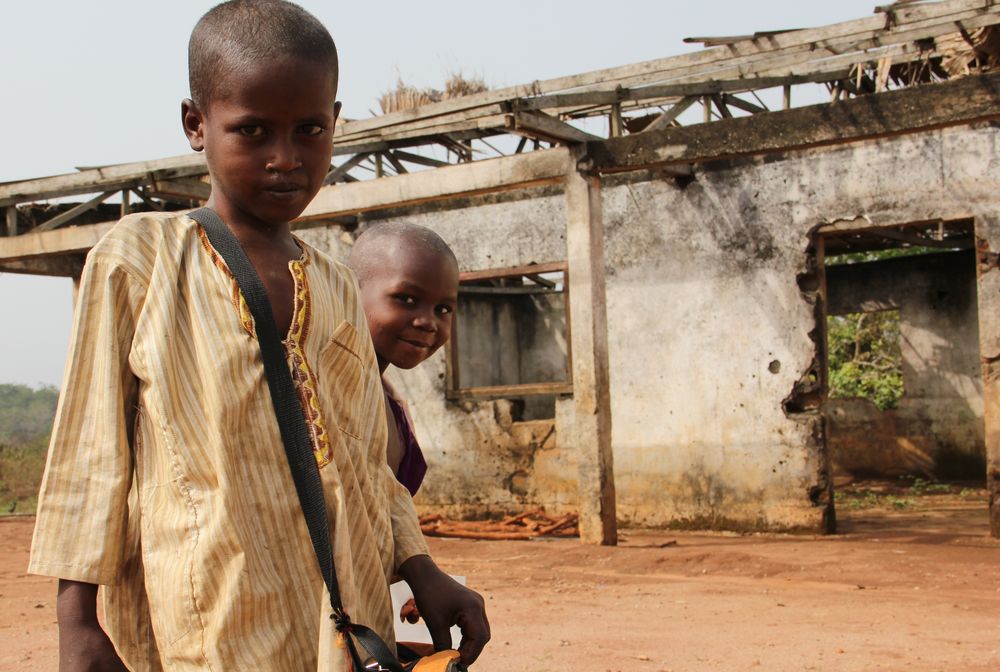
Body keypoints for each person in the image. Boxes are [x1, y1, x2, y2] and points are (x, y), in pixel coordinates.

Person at [28, 2, 489, 670]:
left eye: (309, 129)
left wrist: (421, 565)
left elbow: (367, 463)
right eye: (252, 130)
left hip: (342, 619)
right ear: (197, 125)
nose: (286, 158)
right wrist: (77, 624)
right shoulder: (140, 259)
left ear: (335, 121)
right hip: (208, 617)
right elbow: (91, 455)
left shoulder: (335, 284)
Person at [348, 223, 460, 497]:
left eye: (442, 309)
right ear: (351, 290)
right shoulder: (317, 392)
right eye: (407, 299)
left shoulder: (387, 400)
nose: (428, 322)